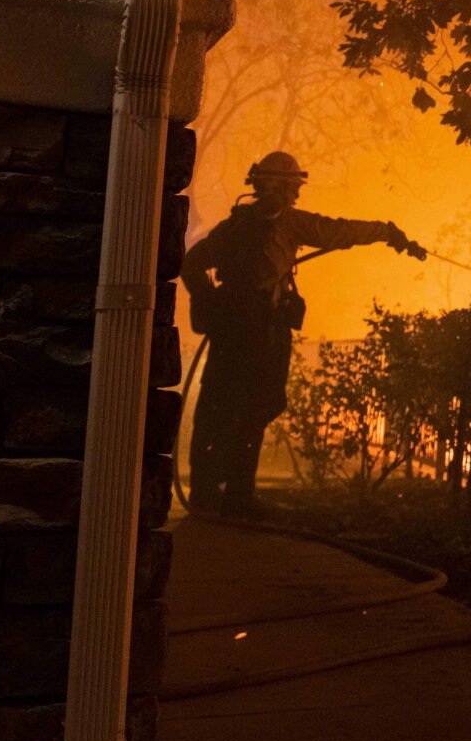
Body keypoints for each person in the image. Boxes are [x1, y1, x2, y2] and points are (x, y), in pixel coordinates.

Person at [180, 151, 425, 515]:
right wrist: (387, 232)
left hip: (234, 332)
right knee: (254, 406)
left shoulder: (234, 228)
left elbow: (192, 264)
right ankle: (235, 495)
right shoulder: (286, 225)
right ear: (276, 187)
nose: (295, 196)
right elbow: (339, 231)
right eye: (292, 188)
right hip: (261, 332)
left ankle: (211, 490)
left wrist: (213, 304)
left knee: (223, 406)